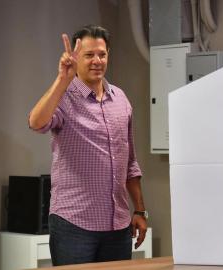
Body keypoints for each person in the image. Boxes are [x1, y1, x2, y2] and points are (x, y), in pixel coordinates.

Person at [28, 25, 147, 266]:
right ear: (76, 58)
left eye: (102, 54)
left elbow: (130, 162)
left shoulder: (121, 99)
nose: (96, 61)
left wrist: (140, 211)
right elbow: (36, 123)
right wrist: (63, 78)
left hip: (118, 225)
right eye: (89, 55)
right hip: (74, 224)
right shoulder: (64, 97)